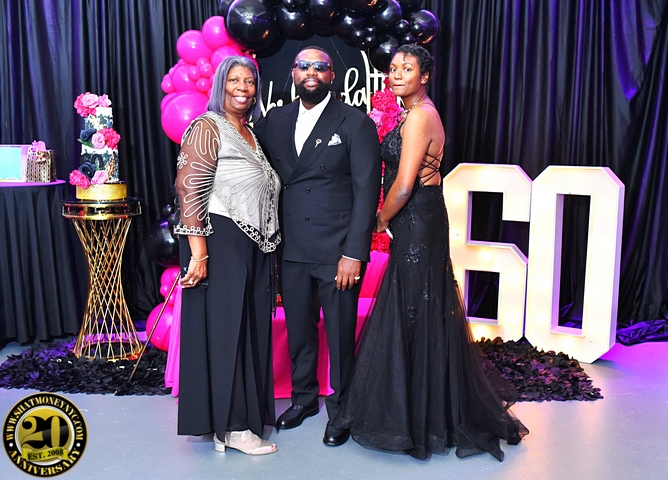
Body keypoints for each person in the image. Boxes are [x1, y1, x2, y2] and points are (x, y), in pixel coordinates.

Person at [331, 45, 529, 461]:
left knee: (415, 307)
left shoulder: (421, 116)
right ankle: (418, 408)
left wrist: (379, 221)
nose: (397, 73)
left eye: (407, 68)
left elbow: (404, 185)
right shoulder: (411, 114)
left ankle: (421, 418)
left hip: (417, 217)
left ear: (425, 76)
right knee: (416, 306)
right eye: (393, 67)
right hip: (418, 218)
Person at [254, 46, 382, 447]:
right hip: (291, 248)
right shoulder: (274, 121)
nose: (312, 72)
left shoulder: (354, 122)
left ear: (331, 75)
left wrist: (354, 253)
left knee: (341, 334)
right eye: (304, 66)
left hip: (337, 251)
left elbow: (367, 191)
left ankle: (342, 409)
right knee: (299, 331)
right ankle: (304, 399)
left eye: (320, 67)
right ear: (293, 74)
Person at [174, 56, 281, 456]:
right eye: (234, 80)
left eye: (249, 81)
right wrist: (199, 253)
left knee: (246, 331)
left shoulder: (250, 132)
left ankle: (236, 421)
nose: (242, 87)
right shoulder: (207, 126)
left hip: (250, 244)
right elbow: (189, 187)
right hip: (219, 242)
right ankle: (232, 428)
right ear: (220, 85)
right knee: (227, 333)